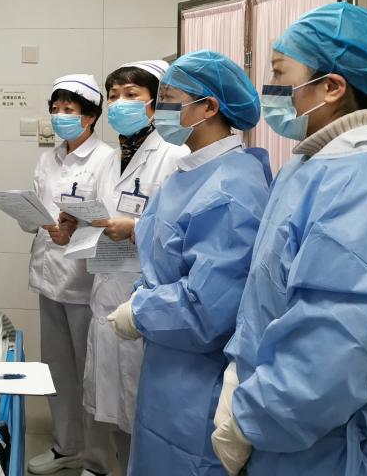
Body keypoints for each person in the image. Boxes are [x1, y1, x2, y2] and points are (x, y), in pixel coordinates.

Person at [212, 3, 367, 476]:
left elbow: (333, 352)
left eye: (279, 73)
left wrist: (252, 419)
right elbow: (267, 296)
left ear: (332, 87)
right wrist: (238, 375)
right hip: (272, 416)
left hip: (325, 444)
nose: (269, 87)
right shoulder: (305, 167)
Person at [103, 51, 269, 476]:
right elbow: (163, 258)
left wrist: (140, 311)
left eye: (168, 99)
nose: (157, 110)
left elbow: (209, 308)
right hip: (168, 367)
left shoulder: (231, 187)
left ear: (209, 107)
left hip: (197, 379)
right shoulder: (190, 172)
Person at [58, 60, 187, 475]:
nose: (118, 104)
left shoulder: (175, 154)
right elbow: (98, 218)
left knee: (140, 398)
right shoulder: (111, 159)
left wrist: (134, 229)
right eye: (113, 96)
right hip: (107, 286)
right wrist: (74, 225)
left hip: (147, 292)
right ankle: (107, 466)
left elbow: (183, 228)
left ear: (155, 103)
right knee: (109, 397)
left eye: (131, 95)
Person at [22, 75, 116, 476]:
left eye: (69, 109)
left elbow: (108, 223)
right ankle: (65, 448)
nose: (60, 116)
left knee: (90, 374)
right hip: (48, 278)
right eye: (55, 109)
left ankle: (96, 459)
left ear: (90, 116)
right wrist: (28, 215)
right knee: (57, 369)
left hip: (84, 282)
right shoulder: (48, 159)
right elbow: (36, 213)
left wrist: (74, 232)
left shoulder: (106, 159)